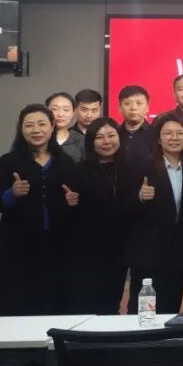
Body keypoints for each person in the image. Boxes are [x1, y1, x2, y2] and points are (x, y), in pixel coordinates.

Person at [0, 104, 79, 315]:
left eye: (42, 124)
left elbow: (76, 204)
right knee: (18, 299)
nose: (36, 130)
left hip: (57, 243)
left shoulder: (66, 162)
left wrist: (73, 202)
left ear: (52, 127)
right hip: (18, 245)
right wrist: (12, 193)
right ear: (21, 129)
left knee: (55, 298)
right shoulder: (8, 162)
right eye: (29, 125)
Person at [127, 114, 183, 316]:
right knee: (143, 309)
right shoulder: (142, 166)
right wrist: (139, 197)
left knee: (170, 306)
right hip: (149, 251)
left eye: (180, 133)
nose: (174, 138)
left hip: (178, 249)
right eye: (168, 133)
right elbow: (124, 206)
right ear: (158, 138)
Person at [66, 117, 131, 314]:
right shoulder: (78, 170)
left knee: (112, 302)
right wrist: (70, 203)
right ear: (91, 141)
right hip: (87, 250)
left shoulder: (131, 169)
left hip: (120, 249)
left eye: (111, 135)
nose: (106, 141)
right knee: (86, 303)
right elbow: (69, 214)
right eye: (99, 137)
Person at [117, 84, 156, 164]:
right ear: (120, 108)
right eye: (127, 103)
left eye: (139, 103)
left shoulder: (156, 135)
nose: (133, 108)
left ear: (147, 107)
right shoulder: (114, 134)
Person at [47, 91, 83, 162]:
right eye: (54, 109)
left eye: (66, 109)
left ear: (73, 113)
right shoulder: (38, 139)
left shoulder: (82, 141)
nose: (60, 114)